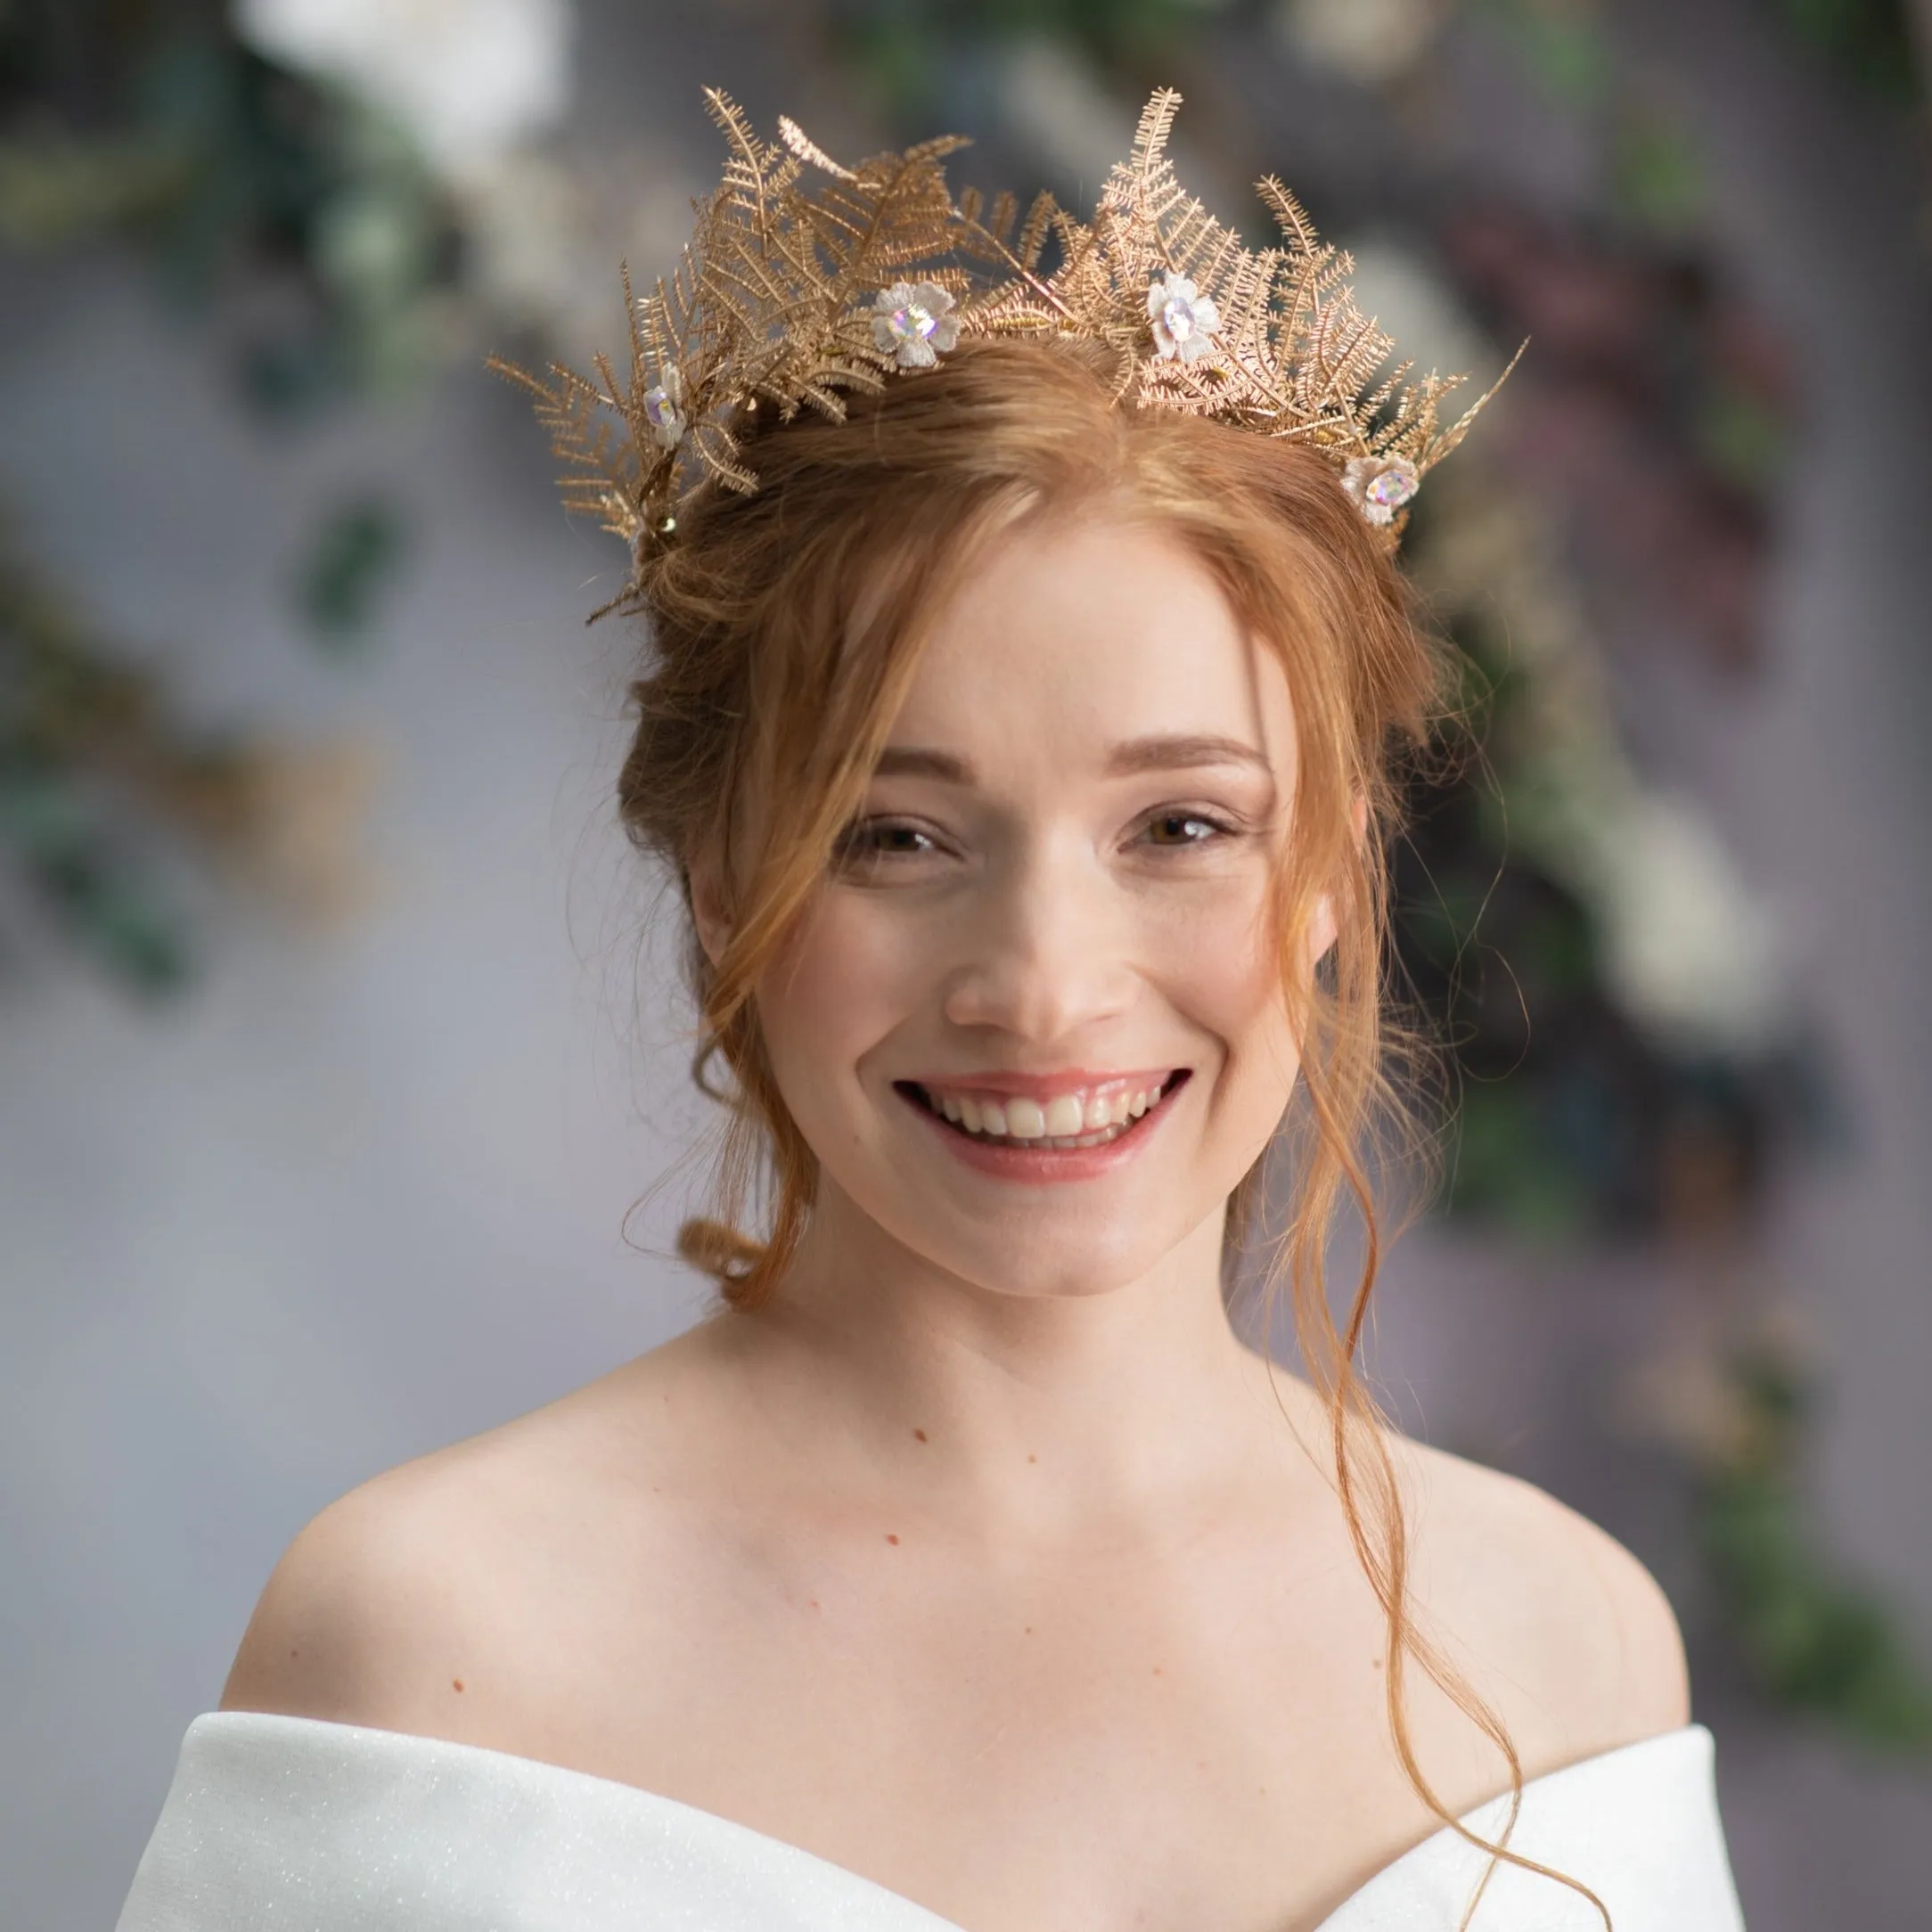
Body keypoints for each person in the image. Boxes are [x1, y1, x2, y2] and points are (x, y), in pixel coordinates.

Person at [114, 92, 1746, 1932]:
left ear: (1331, 872)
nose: (1044, 985)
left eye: (1182, 826)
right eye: (895, 835)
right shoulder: (440, 1650)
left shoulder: (1567, 1649)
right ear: (727, 877)